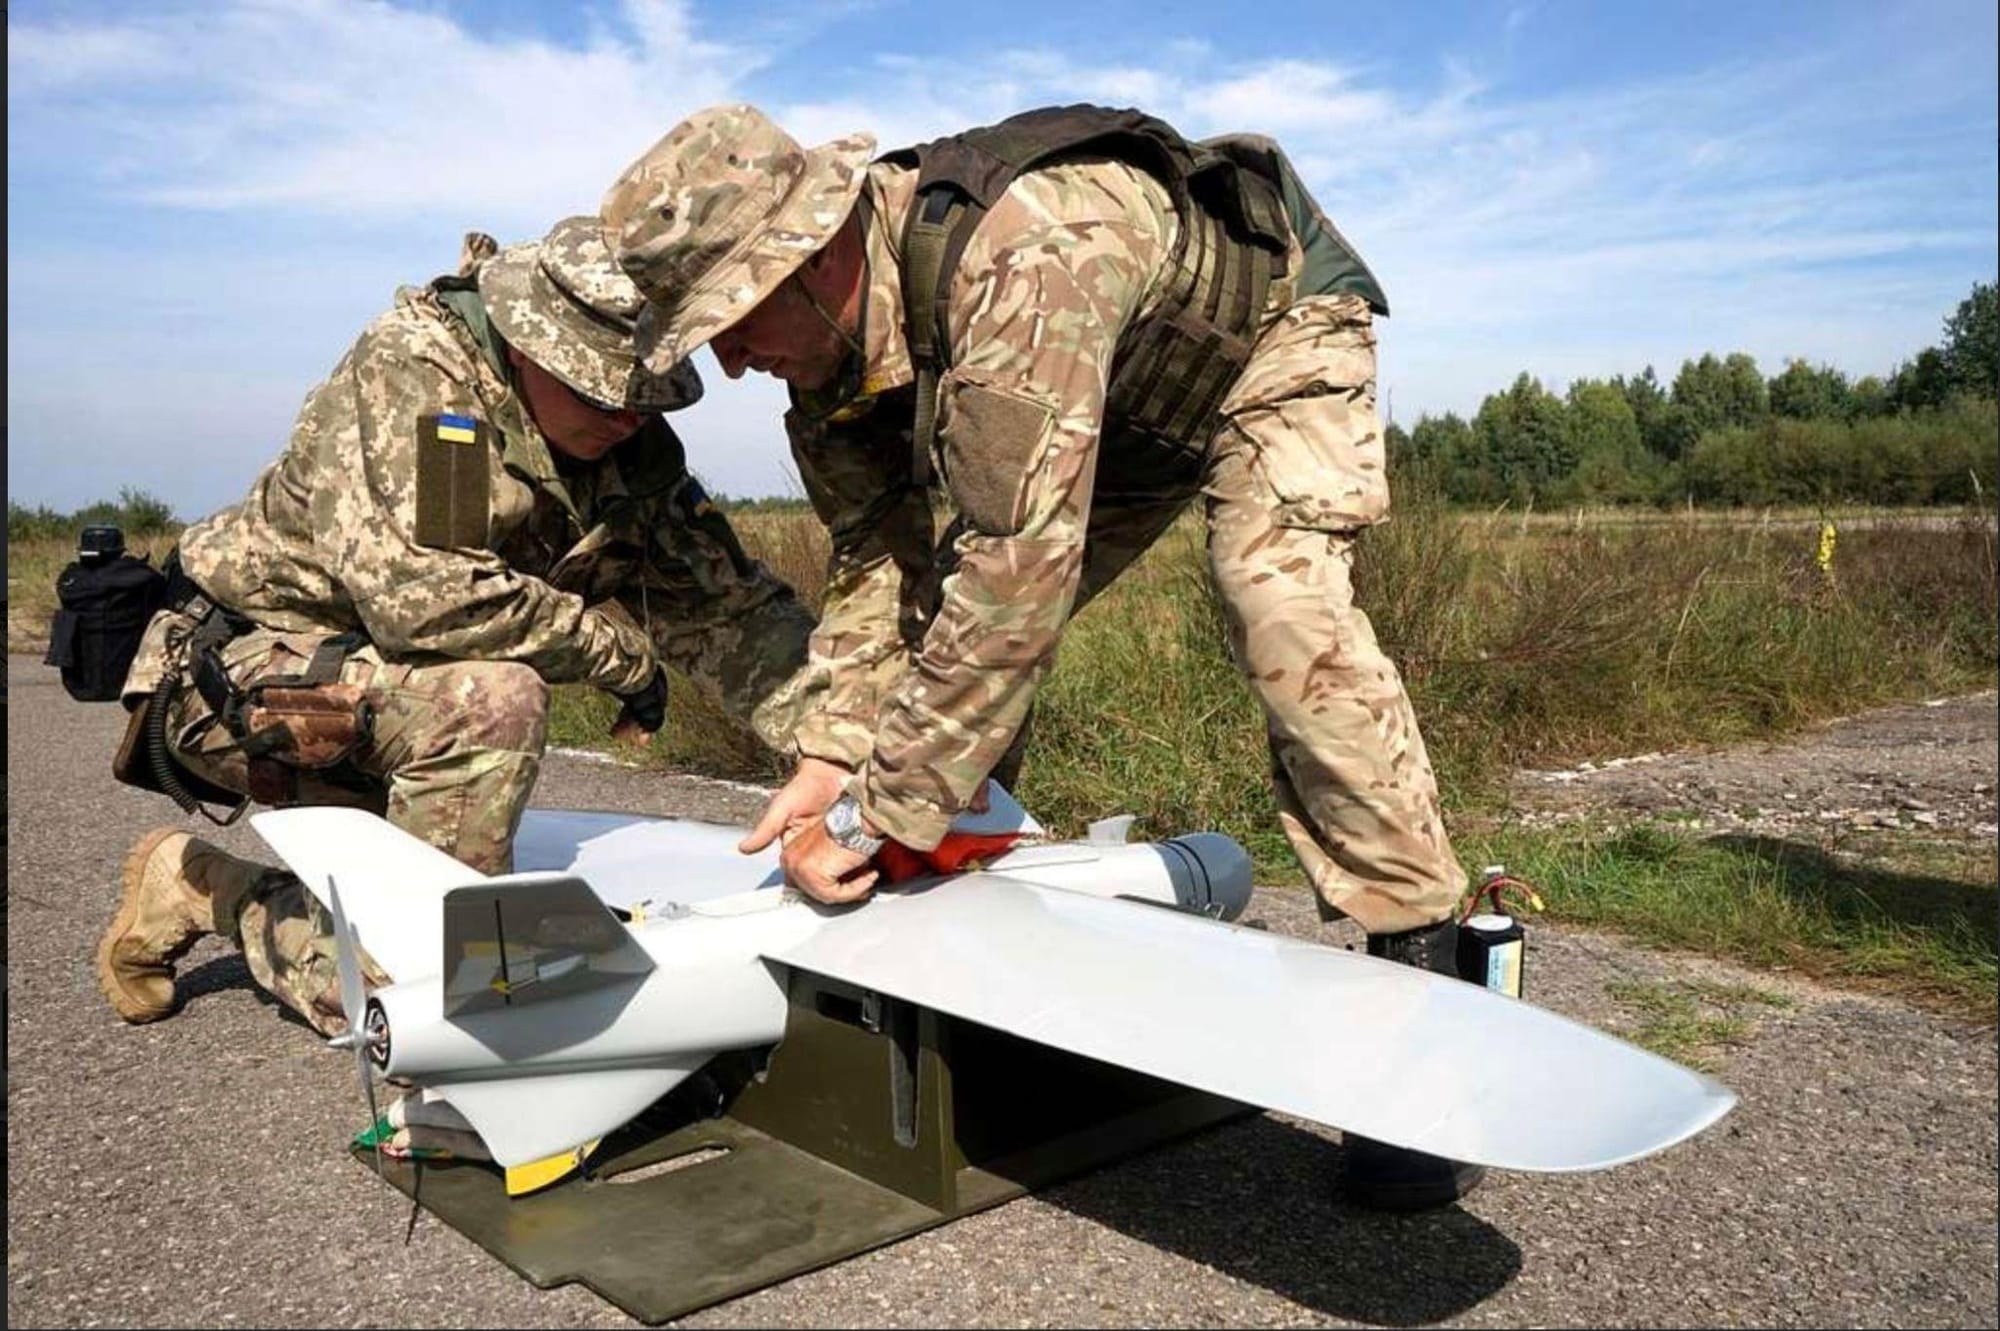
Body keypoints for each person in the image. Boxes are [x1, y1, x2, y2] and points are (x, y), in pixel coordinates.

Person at [601, 104, 1483, 1209]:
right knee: (933, 648)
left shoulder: (1021, 256)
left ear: (815, 253)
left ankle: (1425, 994)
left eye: (734, 316)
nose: (730, 360)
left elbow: (1014, 582)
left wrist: (884, 810)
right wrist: (834, 756)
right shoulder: (825, 371)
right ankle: (957, 923)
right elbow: (881, 563)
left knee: (1279, 607)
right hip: (1119, 399)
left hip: (1268, 341)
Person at [96, 215, 816, 1038]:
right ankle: (206, 885)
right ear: (525, 347)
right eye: (603, 390)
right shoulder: (423, 375)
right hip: (233, 683)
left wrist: (861, 755)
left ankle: (411, 939)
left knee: (477, 898)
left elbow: (735, 610)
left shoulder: (624, 447)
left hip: (378, 703)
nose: (628, 416)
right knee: (419, 967)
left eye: (645, 395)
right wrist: (619, 654)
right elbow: (430, 598)